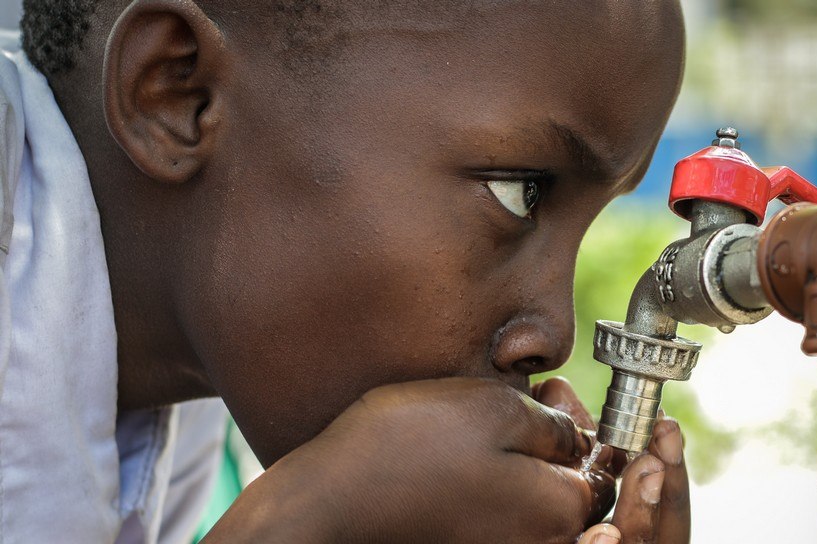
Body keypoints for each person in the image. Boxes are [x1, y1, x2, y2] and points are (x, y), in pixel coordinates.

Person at [0, 0, 690, 542]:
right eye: (521, 191)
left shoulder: (172, 432)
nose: (553, 334)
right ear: (177, 94)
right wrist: (306, 522)